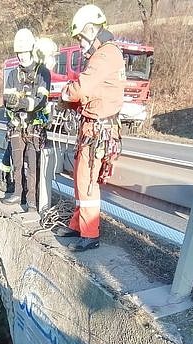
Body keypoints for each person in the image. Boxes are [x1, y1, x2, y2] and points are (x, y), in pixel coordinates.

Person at [53, 4, 125, 251]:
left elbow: (82, 87)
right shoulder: (104, 54)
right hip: (92, 128)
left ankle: (90, 234)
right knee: (80, 180)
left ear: (92, 30)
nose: (80, 44)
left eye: (81, 38)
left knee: (87, 183)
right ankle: (78, 226)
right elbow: (92, 93)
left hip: (97, 130)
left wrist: (66, 95)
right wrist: (74, 102)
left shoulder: (105, 55)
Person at [0, 28, 51, 212]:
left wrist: (21, 102)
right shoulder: (13, 74)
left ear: (31, 50)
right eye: (19, 53)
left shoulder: (42, 72)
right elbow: (7, 100)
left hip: (34, 127)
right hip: (16, 126)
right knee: (17, 163)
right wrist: (15, 104)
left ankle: (31, 201)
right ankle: (17, 193)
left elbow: (41, 101)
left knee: (32, 166)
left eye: (24, 52)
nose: (21, 56)